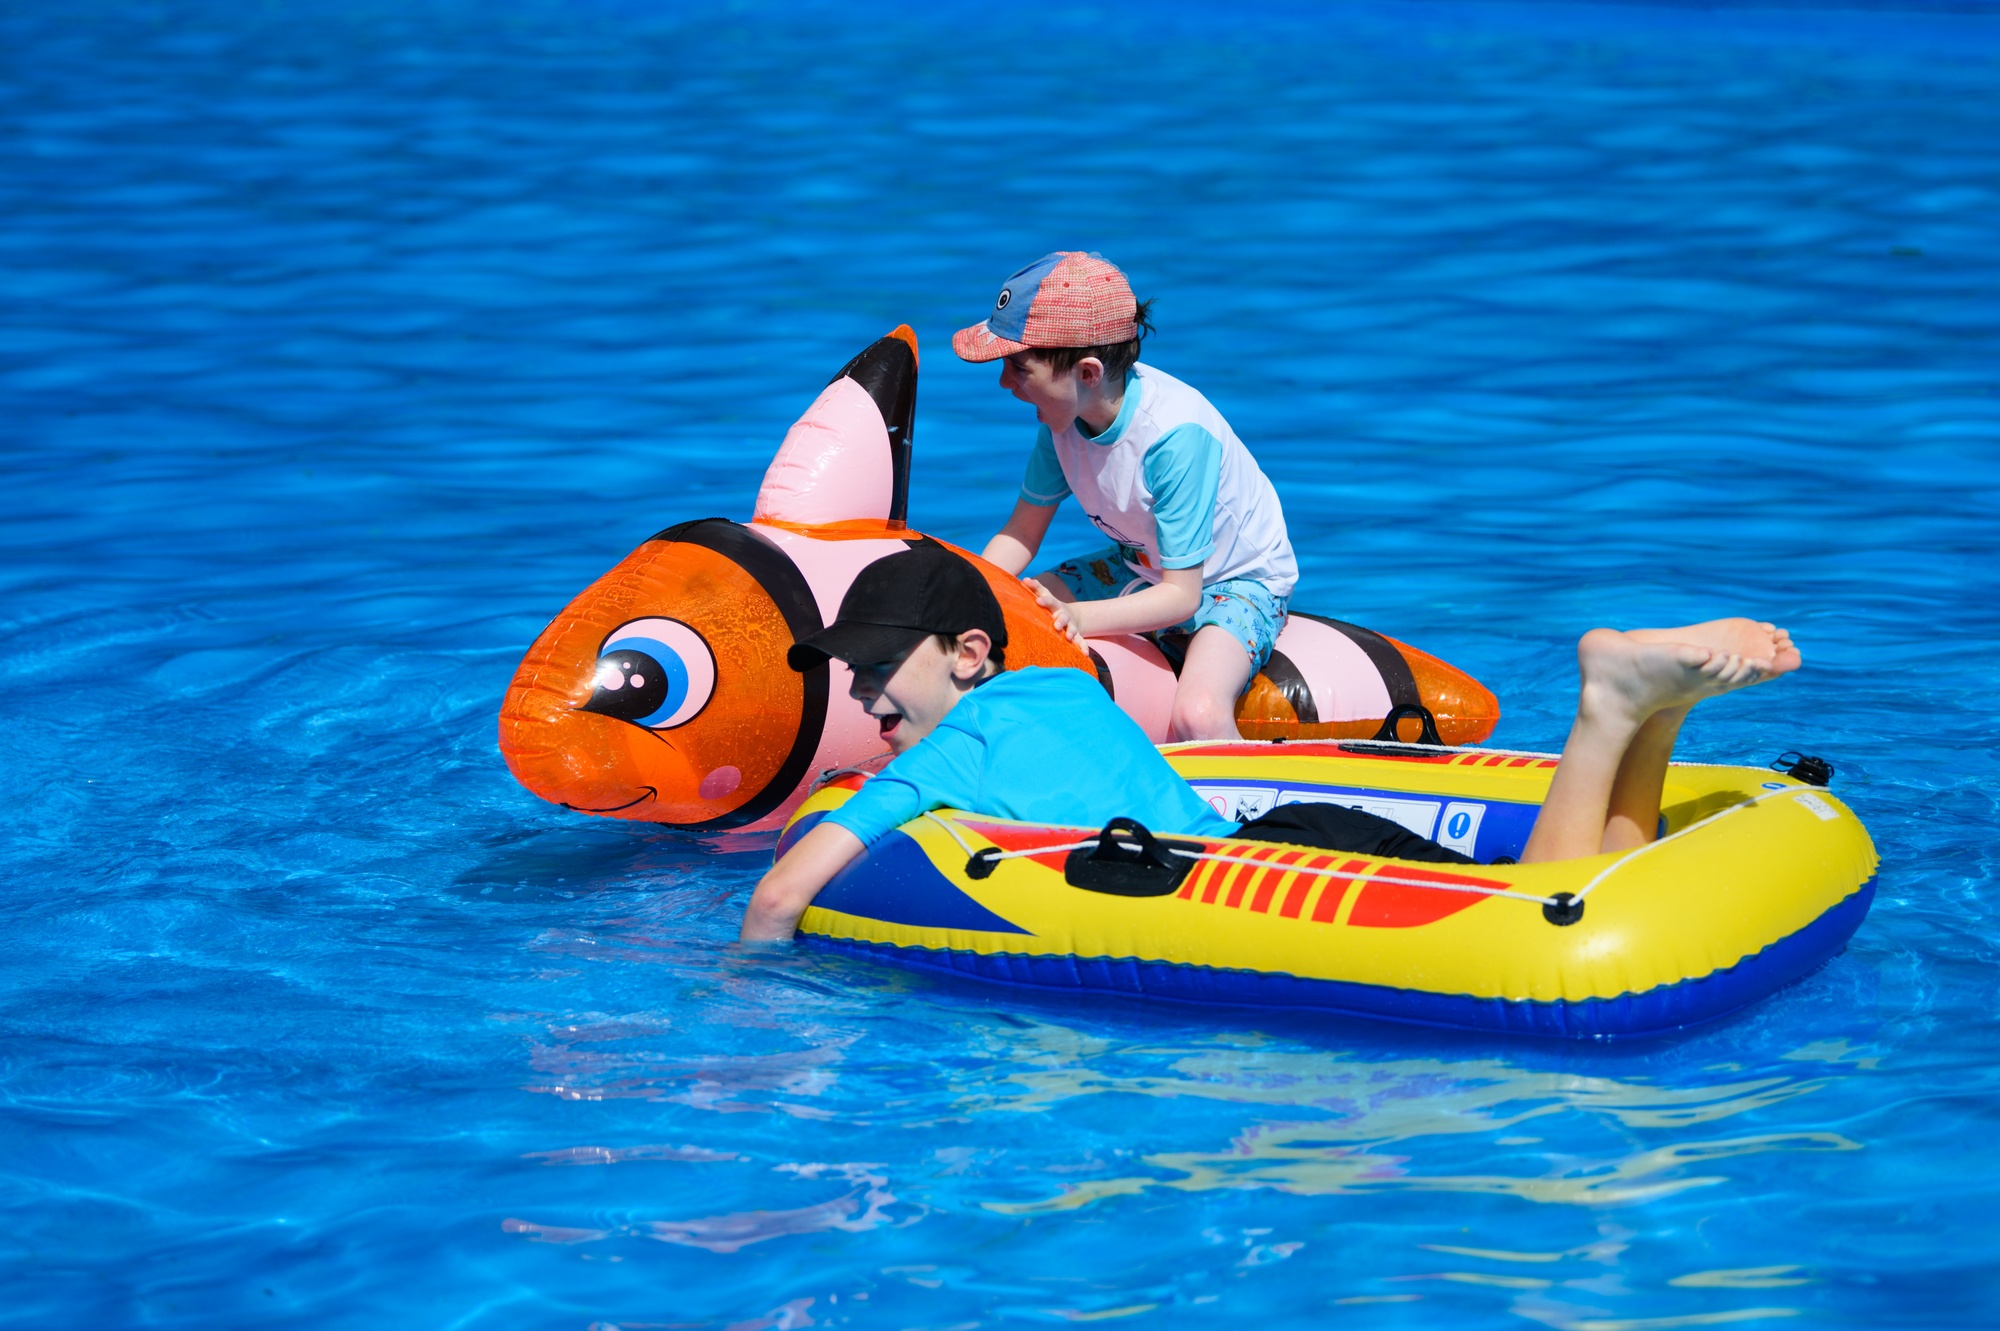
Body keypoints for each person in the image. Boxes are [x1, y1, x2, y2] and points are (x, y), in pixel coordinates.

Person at [738, 543, 1801, 943]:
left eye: (879, 667)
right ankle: (1658, 716)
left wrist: (742, 992)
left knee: (1546, 900)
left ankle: (1608, 707)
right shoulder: (1059, 688)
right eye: (853, 675)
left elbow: (783, 894)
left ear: (968, 652)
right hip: (1290, 828)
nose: (865, 694)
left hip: (1268, 881)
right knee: (1587, 879)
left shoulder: (941, 759)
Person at [954, 251, 1298, 743]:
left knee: (1197, 714)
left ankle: (1242, 792)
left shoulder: (1174, 438)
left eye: (1018, 366)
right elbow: (1021, 533)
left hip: (1236, 580)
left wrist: (1077, 617)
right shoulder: (1061, 422)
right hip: (1140, 564)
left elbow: (1182, 596)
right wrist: (968, 597)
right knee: (1017, 612)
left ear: (1087, 373)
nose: (1004, 381)